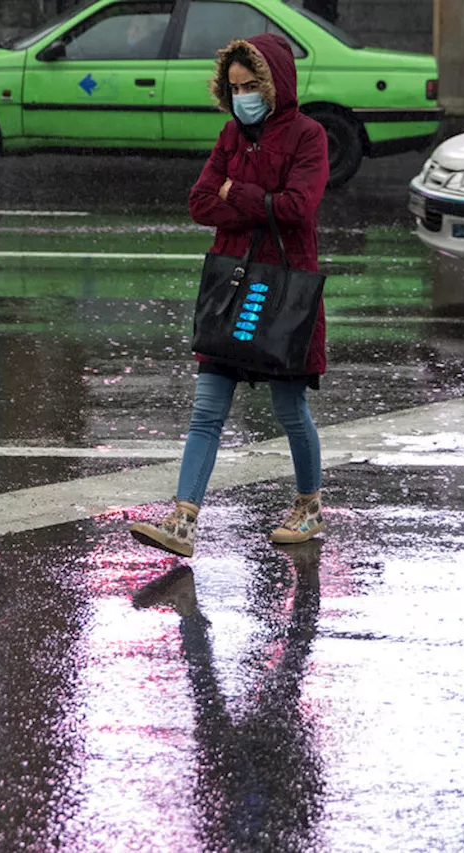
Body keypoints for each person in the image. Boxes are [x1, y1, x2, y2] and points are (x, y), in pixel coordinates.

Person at [129, 33, 329, 558]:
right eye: (234, 86)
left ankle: (309, 506)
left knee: (290, 409)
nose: (242, 96)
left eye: (251, 85)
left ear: (274, 84)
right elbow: (199, 202)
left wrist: (234, 194)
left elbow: (297, 207)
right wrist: (255, 201)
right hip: (233, 287)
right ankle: (183, 519)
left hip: (282, 289)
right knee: (207, 411)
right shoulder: (230, 135)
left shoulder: (309, 136)